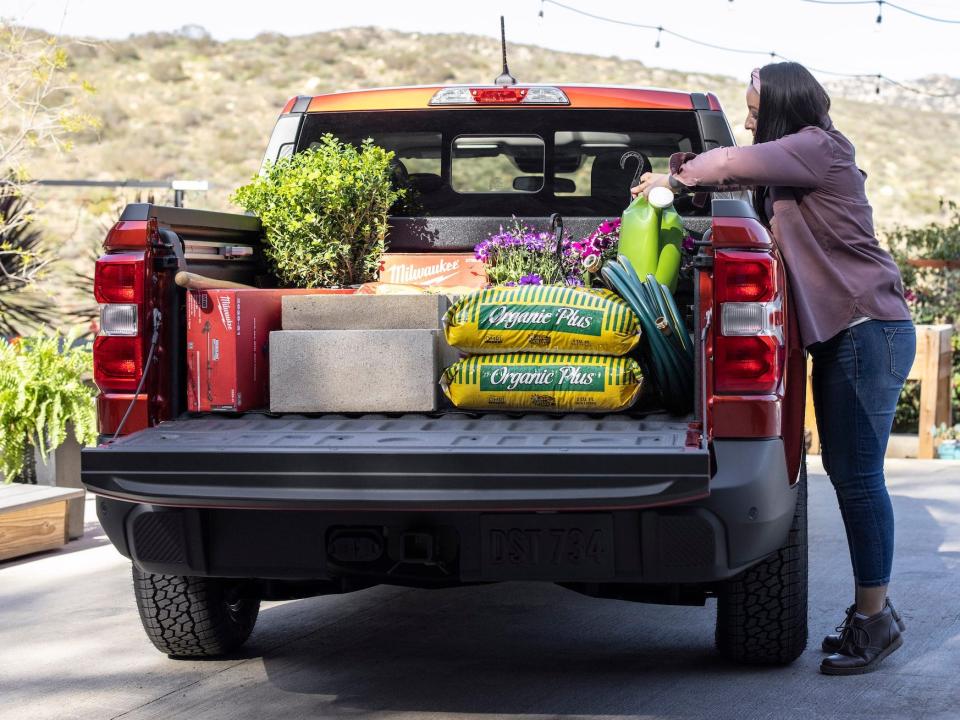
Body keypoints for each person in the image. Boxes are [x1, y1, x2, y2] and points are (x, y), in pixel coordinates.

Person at [632, 61, 916, 675]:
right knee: (847, 471)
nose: (750, 117)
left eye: (756, 106)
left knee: (860, 478)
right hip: (847, 335)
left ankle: (876, 617)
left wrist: (672, 175)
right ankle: (875, 613)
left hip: (869, 330)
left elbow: (729, 162)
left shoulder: (818, 147)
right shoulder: (795, 165)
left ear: (785, 104)